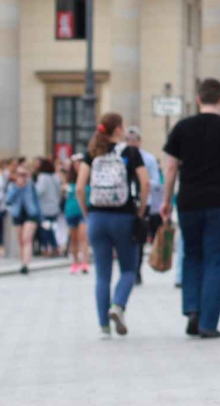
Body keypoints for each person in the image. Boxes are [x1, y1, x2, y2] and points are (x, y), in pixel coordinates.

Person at [161, 77, 220, 339]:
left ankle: (192, 309)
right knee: (217, 262)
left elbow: (170, 168)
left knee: (192, 255)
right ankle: (208, 323)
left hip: (189, 202)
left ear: (198, 98)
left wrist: (166, 201)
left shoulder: (182, 128)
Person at [76, 111, 150, 338]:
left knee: (102, 275)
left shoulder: (92, 153)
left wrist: (87, 213)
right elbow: (145, 183)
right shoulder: (131, 152)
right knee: (128, 268)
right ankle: (117, 306)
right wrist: (139, 210)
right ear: (118, 129)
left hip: (97, 217)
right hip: (124, 216)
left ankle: (104, 326)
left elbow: (80, 188)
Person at [123, 126, 162, 283]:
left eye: (134, 139)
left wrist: (143, 182)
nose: (131, 142)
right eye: (128, 140)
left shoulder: (148, 159)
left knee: (139, 237)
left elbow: (155, 181)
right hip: (125, 202)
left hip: (143, 202)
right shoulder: (121, 156)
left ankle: (136, 269)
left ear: (139, 141)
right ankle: (127, 268)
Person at [1, 163, 42, 275]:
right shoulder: (12, 186)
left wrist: (40, 216)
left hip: (31, 214)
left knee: (26, 239)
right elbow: (8, 200)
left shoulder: (32, 185)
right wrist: (17, 188)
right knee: (20, 241)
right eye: (19, 174)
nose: (22, 177)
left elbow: (37, 201)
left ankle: (26, 264)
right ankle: (22, 262)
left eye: (24, 174)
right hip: (17, 214)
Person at [61, 163, 87, 274]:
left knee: (83, 237)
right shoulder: (68, 181)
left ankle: (84, 262)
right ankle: (75, 262)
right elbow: (62, 192)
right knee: (74, 239)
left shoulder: (88, 179)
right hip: (71, 211)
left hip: (83, 211)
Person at [33, 157, 62, 258]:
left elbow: (39, 191)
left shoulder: (43, 177)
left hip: (45, 208)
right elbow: (59, 192)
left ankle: (49, 248)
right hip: (54, 206)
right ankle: (54, 247)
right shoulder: (55, 177)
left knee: (45, 229)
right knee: (51, 228)